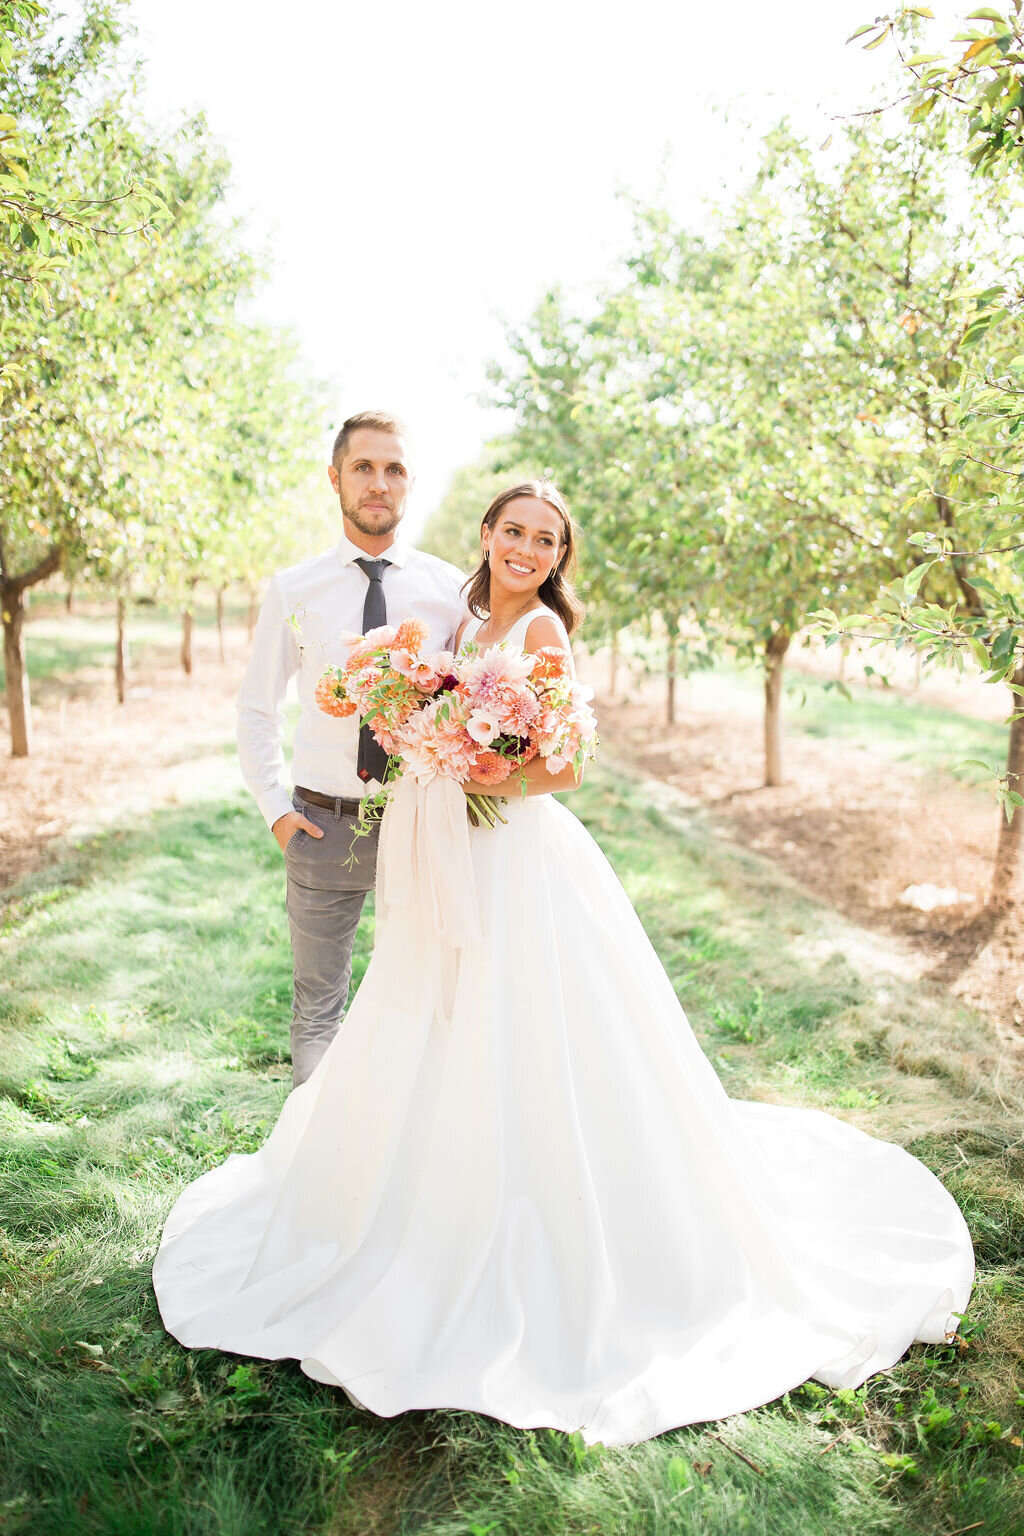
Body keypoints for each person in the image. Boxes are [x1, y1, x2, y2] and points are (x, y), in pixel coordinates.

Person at [155, 479, 974, 1448]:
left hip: (512, 858)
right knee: (428, 1007)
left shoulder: (542, 634)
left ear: (556, 558)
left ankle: (522, 1203)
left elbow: (566, 765)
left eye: (545, 540)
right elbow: (424, 718)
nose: (527, 550)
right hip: (445, 843)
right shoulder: (458, 617)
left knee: (519, 1017)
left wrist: (485, 769)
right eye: (514, 532)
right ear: (489, 536)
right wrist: (415, 729)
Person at [236, 410, 465, 1085]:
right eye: (363, 467)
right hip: (322, 823)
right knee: (319, 1012)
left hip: (419, 821)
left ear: (410, 484)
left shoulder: (450, 592)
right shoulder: (294, 589)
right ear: (334, 478)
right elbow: (256, 706)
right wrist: (276, 808)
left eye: (394, 469)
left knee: (424, 1002)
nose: (378, 482)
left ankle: (403, 1154)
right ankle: (316, 1164)